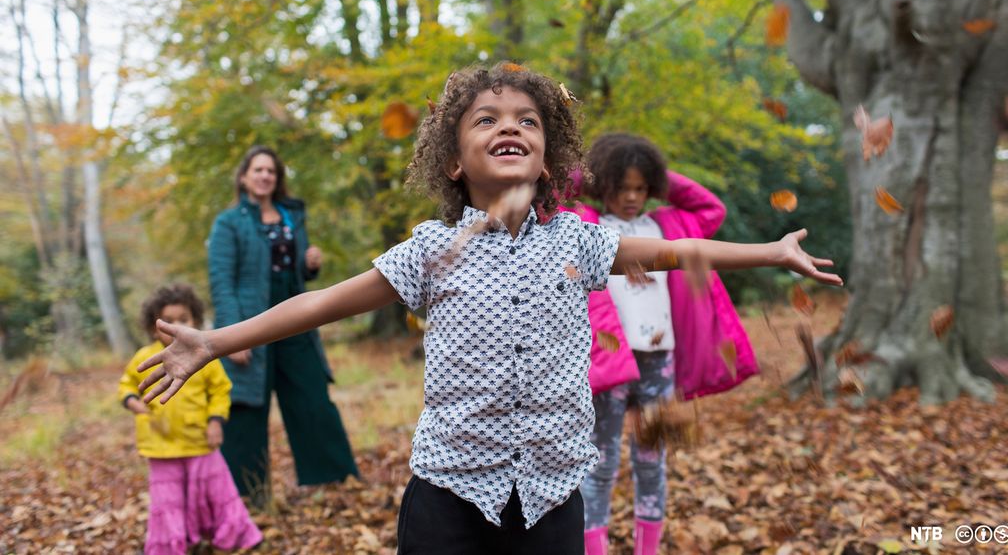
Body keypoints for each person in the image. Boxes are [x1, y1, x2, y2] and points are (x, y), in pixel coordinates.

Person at [137, 64, 842, 555]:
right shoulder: (428, 251)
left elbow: (676, 253)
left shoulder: (579, 239)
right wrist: (213, 340)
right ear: (452, 160)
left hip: (551, 495)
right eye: (488, 120)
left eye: (528, 122)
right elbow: (322, 302)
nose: (512, 127)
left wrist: (772, 253)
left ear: (546, 158)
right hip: (450, 494)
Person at [569, 133, 758, 555]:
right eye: (623, 188)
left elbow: (712, 208)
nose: (632, 197)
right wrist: (605, 170)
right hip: (611, 362)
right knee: (599, 464)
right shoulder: (584, 223)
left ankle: (646, 550)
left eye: (641, 187)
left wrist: (653, 172)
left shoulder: (670, 225)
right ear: (605, 187)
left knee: (651, 461)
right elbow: (557, 191)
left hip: (660, 362)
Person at [208, 146, 358, 506]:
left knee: (311, 395)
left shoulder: (291, 216)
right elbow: (221, 282)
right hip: (249, 324)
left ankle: (332, 479)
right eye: (257, 170)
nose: (264, 176)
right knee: (246, 406)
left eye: (270, 171)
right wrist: (231, 336)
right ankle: (246, 494)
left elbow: (294, 274)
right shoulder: (229, 223)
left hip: (295, 320)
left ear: (277, 179)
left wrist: (310, 266)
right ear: (244, 177)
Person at [118, 283, 262, 554]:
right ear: (152, 327)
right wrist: (132, 401)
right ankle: (174, 545)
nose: (176, 326)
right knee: (168, 500)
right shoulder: (144, 357)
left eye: (183, 320)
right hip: (161, 444)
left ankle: (230, 536)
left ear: (195, 321)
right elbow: (127, 383)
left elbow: (221, 389)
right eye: (167, 321)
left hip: (200, 441)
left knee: (215, 493)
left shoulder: (204, 356)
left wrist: (216, 421)